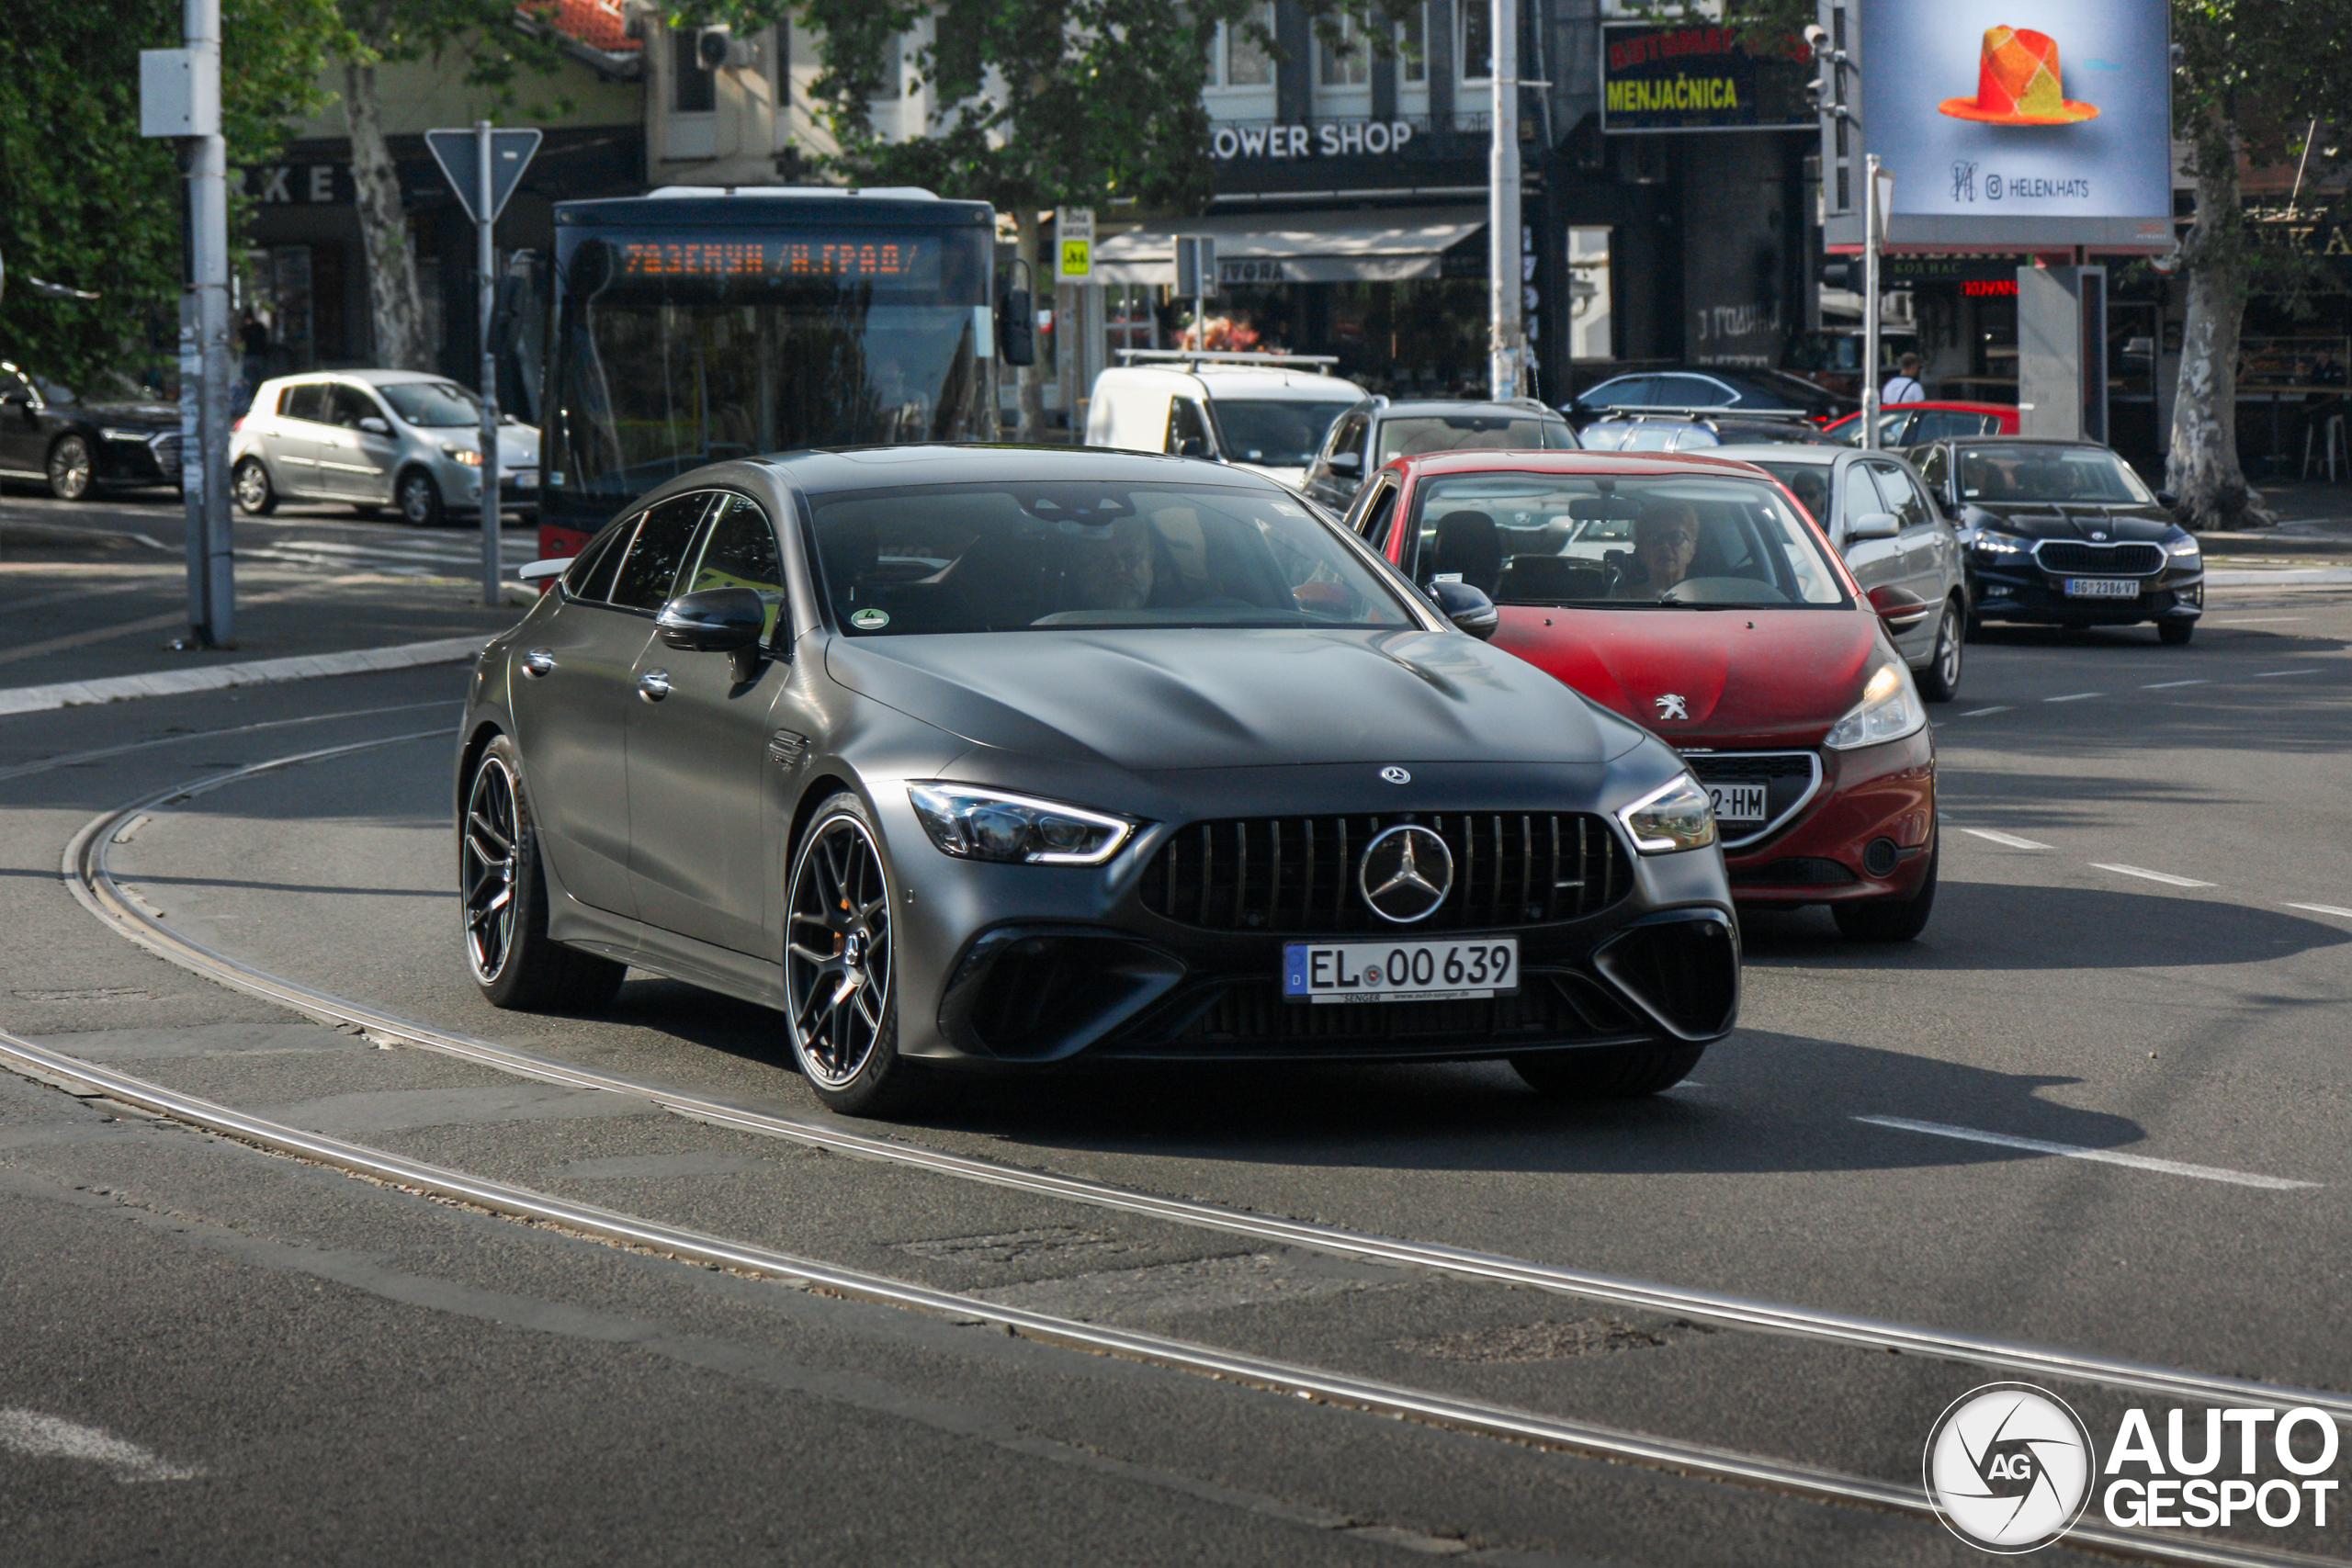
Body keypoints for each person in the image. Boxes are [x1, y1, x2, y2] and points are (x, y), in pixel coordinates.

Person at [1058, 518, 1158, 613]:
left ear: (1151, 557)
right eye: (1101, 557)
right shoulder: (1048, 620)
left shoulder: (1171, 619)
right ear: (1076, 564)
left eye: (1131, 556)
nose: (1118, 568)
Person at [1616, 503, 1700, 597]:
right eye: (1654, 538)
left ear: (1692, 549)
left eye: (1675, 537)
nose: (1665, 546)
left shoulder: (1708, 597)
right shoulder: (1620, 600)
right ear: (1641, 551)